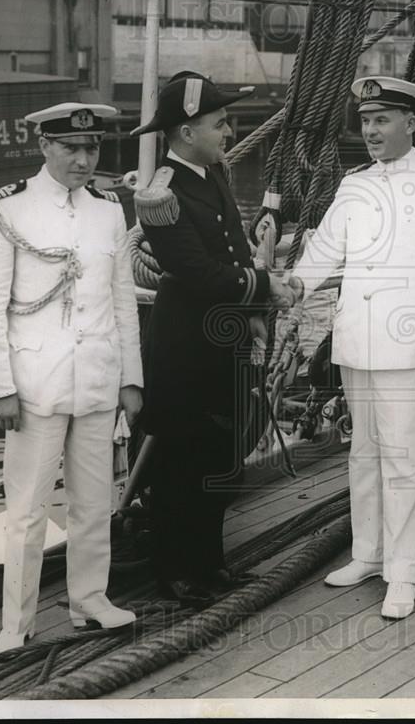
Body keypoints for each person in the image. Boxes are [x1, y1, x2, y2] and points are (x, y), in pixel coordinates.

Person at [286, 76, 415, 619]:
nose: (370, 130)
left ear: (410, 124)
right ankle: (368, 553)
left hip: (409, 347)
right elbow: (325, 249)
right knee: (363, 454)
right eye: (365, 121)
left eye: (382, 120)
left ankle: (404, 573)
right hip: (356, 344)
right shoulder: (354, 182)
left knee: (407, 460)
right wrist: (292, 285)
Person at [0, 102, 144, 656]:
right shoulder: (7, 210)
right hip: (33, 384)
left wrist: (130, 378)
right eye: (72, 148)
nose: (84, 159)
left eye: (92, 149)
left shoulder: (108, 211)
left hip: (95, 378)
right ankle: (15, 625)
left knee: (94, 502)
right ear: (44, 146)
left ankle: (90, 600)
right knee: (26, 512)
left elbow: (123, 301)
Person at [130, 71, 293, 606]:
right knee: (181, 463)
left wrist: (251, 309)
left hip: (224, 339)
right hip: (185, 347)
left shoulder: (211, 173)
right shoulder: (161, 193)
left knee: (220, 458)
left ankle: (210, 563)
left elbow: (236, 253)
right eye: (219, 124)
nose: (227, 133)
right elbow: (198, 272)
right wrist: (266, 286)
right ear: (184, 133)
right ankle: (175, 572)